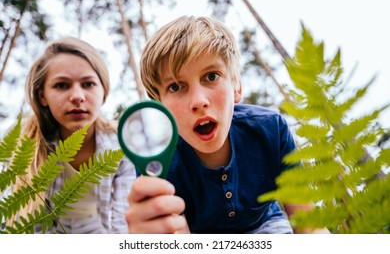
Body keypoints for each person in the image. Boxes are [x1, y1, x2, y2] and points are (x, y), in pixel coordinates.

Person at [126, 16, 329, 234]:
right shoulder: (157, 157)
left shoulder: (271, 129)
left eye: (211, 76)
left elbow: (309, 225)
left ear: (237, 87)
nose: (199, 101)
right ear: (160, 108)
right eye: (175, 87)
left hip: (267, 226)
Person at [8, 37, 136, 233]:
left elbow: (122, 223)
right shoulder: (24, 143)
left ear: (103, 92)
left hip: (100, 230)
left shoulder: (123, 144)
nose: (77, 96)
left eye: (88, 84)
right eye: (62, 85)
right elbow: (21, 221)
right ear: (42, 96)